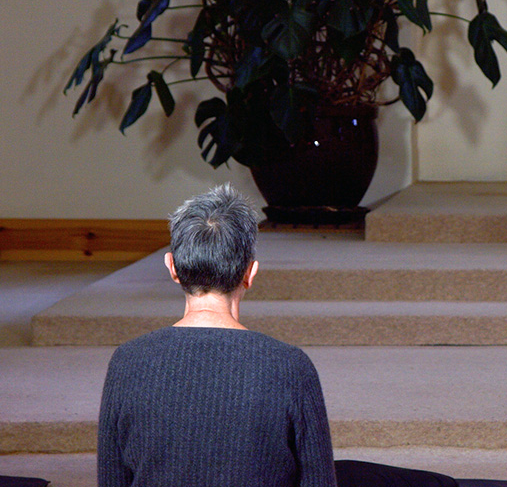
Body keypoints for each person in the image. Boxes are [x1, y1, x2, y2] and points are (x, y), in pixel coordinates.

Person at [97, 183, 336, 486]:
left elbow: (111, 478)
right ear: (250, 273)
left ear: (172, 267)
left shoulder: (128, 361)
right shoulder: (289, 366)